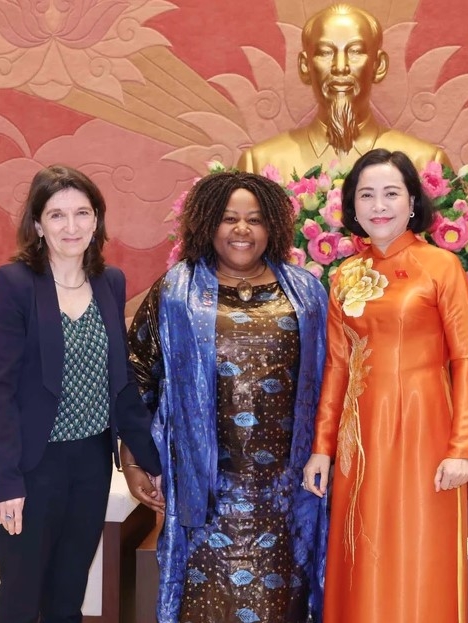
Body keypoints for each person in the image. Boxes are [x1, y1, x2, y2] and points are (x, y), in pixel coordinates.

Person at [124, 171, 329, 622]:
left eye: (254, 220)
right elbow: (139, 371)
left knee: (284, 605)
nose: (242, 229)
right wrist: (135, 459)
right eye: (229, 218)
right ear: (207, 225)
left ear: (272, 227)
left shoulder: (308, 293)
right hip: (206, 490)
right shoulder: (177, 292)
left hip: (285, 493)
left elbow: (333, 379)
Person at [303, 149, 468, 622]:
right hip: (360, 436)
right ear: (352, 207)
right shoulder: (343, 276)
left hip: (426, 428)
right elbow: (337, 367)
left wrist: (460, 448)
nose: (379, 205)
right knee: (361, 548)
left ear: (412, 202)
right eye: (367, 195)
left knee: (419, 547)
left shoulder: (442, 266)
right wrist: (322, 448)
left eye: (391, 193)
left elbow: (464, 360)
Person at [0, 164, 162, 623]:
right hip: (33, 464)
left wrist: (152, 462)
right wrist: (7, 481)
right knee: (20, 598)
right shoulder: (15, 283)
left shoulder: (110, 282)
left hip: (90, 463)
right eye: (57, 215)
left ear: (97, 220)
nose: (72, 226)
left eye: (82, 213)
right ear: (38, 225)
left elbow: (119, 383)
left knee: (68, 594)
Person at [237, 3, 451, 181]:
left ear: (379, 65)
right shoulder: (259, 165)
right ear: (304, 66)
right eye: (325, 53)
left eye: (356, 52)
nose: (340, 67)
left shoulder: (425, 164)